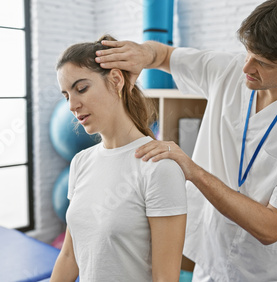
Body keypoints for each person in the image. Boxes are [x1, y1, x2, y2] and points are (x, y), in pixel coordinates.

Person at [94, 0, 277, 281]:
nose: (246, 67)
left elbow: (272, 227)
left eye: (262, 63)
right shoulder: (230, 69)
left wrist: (193, 171)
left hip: (266, 272)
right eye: (248, 53)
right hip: (209, 259)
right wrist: (143, 53)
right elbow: (164, 55)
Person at [50, 35, 187, 282]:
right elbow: (70, 256)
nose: (72, 105)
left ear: (115, 80)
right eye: (66, 95)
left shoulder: (158, 168)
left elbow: (165, 278)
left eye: (81, 89)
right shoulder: (81, 162)